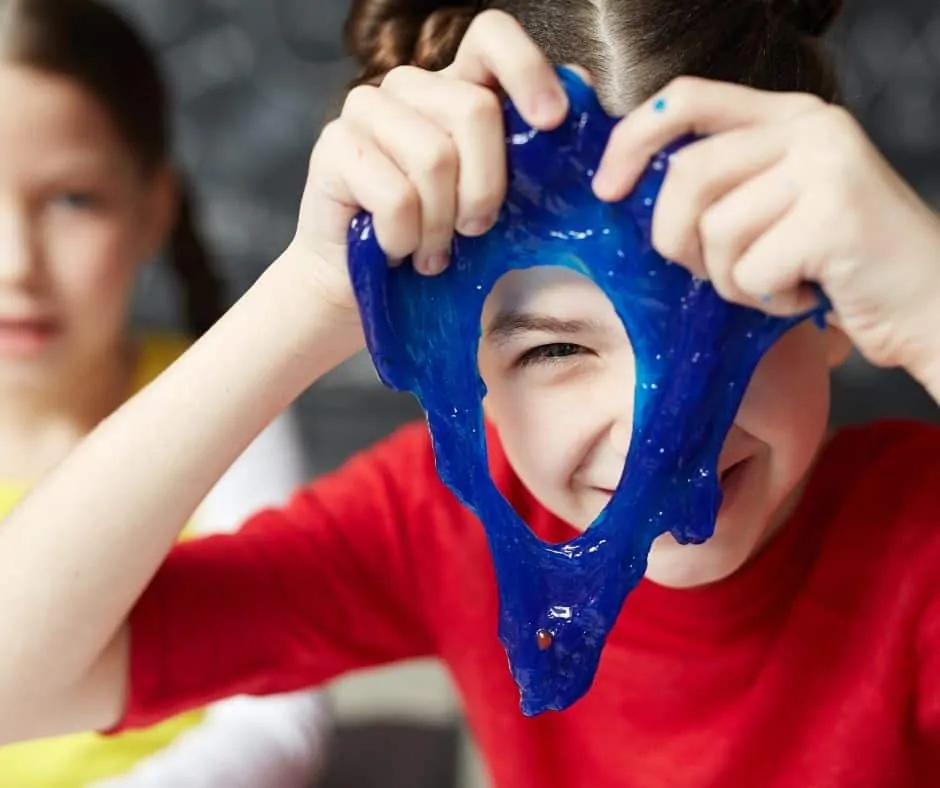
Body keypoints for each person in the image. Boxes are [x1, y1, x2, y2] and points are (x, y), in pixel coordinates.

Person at [1, 1, 939, 786]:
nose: (657, 424)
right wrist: (315, 291)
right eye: (556, 349)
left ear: (837, 296)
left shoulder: (917, 544)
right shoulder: (440, 520)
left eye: (722, 317)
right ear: (461, 362)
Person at [0, 1, 328, 785]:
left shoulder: (230, 415)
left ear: (154, 209)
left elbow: (278, 719)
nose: (16, 261)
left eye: (73, 200)